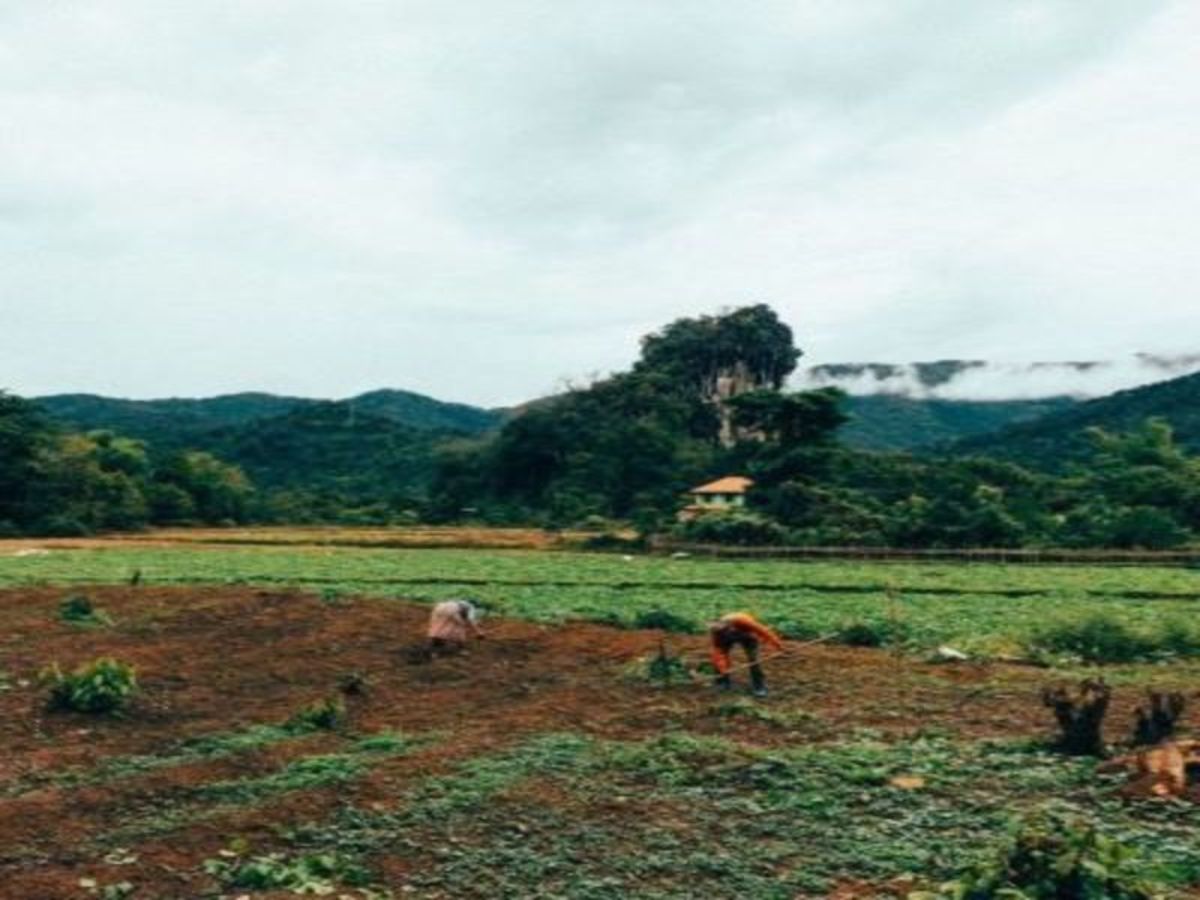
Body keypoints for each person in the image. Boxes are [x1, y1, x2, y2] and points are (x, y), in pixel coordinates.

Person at [709, 612, 783, 697]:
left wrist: (777, 645)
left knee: (753, 659)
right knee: (719, 660)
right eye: (720, 632)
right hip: (728, 639)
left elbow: (762, 631)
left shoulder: (741, 620)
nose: (722, 633)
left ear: (728, 626)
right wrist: (723, 669)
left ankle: (759, 686)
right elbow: (718, 653)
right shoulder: (717, 633)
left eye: (724, 631)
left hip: (748, 636)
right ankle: (722, 682)